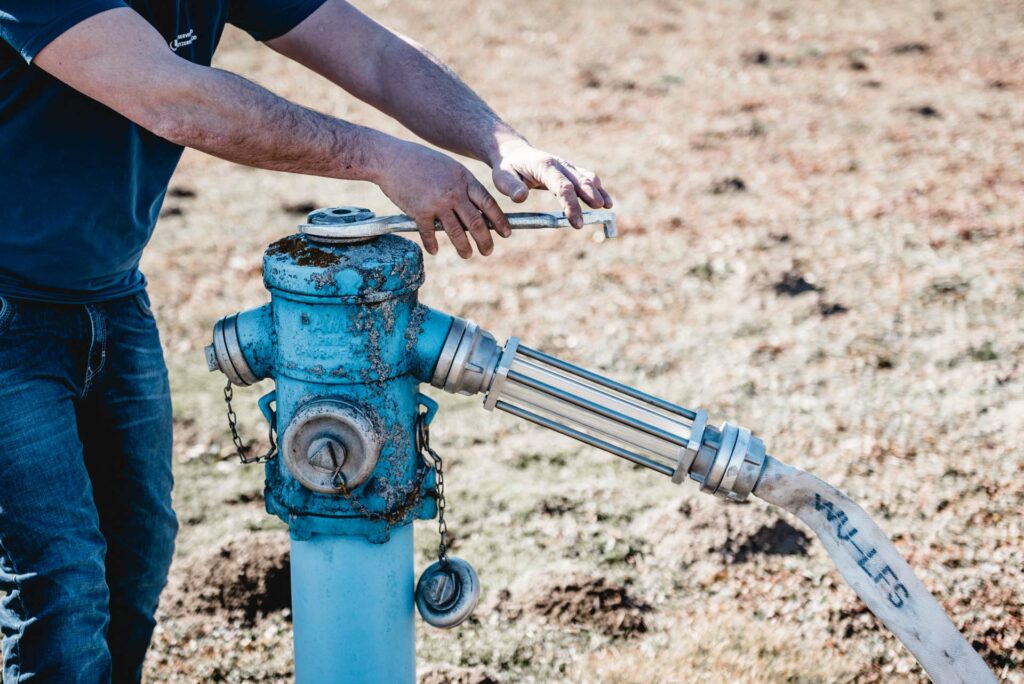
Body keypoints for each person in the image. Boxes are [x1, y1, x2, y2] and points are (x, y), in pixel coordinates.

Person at [0, 1, 614, 680]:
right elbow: (172, 98)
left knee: (133, 560)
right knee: (59, 584)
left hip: (109, 293)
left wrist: (500, 141)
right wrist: (378, 157)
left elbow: (372, 53)